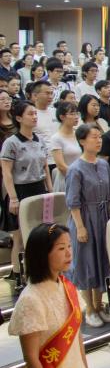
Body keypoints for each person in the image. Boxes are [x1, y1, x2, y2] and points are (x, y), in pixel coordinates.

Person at [10, 224, 94, 368]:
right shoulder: (31, 299)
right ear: (43, 254)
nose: (69, 253)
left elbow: (77, 338)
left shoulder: (67, 287)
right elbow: (31, 358)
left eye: (70, 246)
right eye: (61, 248)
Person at [65, 123, 110, 327]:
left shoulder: (103, 164)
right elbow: (73, 202)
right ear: (82, 141)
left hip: (102, 217)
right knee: (86, 263)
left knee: (102, 261)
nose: (98, 140)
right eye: (94, 137)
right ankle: (89, 309)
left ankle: (99, 304)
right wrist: (80, 227)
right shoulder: (75, 169)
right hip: (85, 218)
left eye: (100, 136)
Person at [2, 102, 53, 285]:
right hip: (21, 190)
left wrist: (50, 190)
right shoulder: (11, 142)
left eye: (35, 114)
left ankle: (39, 272)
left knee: (41, 233)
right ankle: (18, 274)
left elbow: (45, 167)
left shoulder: (39, 140)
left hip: (39, 189)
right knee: (20, 237)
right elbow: (7, 172)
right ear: (18, 118)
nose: (34, 117)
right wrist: (13, 198)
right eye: (30, 114)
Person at [50, 101, 82, 192]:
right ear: (62, 117)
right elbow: (61, 166)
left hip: (81, 177)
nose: (76, 117)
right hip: (67, 179)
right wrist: (78, 177)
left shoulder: (79, 134)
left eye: (77, 113)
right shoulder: (56, 138)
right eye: (72, 114)